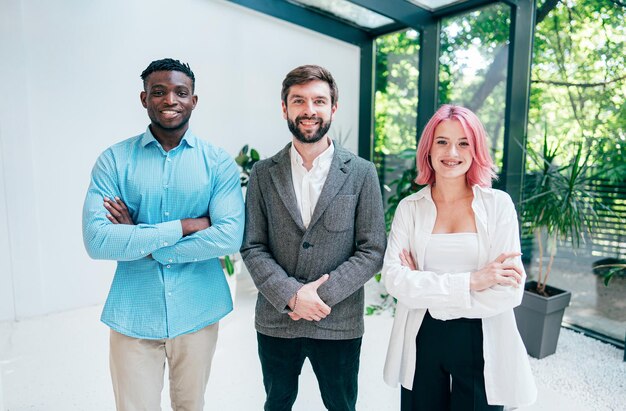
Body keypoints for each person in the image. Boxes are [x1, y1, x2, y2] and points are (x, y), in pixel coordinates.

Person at [82, 58, 245, 410]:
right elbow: (97, 241)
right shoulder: (114, 161)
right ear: (144, 99)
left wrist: (143, 239)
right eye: (159, 92)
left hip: (198, 310)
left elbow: (229, 237)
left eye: (180, 92)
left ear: (193, 100)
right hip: (133, 313)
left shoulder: (217, 163)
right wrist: (184, 227)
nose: (170, 99)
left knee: (191, 405)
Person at [240, 64, 386, 411]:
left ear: (333, 107)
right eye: (299, 101)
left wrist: (316, 298)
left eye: (319, 101)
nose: (309, 110)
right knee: (277, 402)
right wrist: (291, 296)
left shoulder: (362, 173)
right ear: (285, 108)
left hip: (338, 321)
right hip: (277, 319)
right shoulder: (262, 173)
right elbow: (253, 245)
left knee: (342, 404)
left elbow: (373, 248)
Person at [382, 104, 537, 410]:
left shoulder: (498, 206)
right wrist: (475, 280)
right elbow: (395, 280)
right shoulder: (409, 209)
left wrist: (424, 287)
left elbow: (509, 291)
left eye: (463, 142)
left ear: (475, 149)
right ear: (428, 148)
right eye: (442, 141)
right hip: (422, 334)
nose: (452, 151)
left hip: (481, 335)